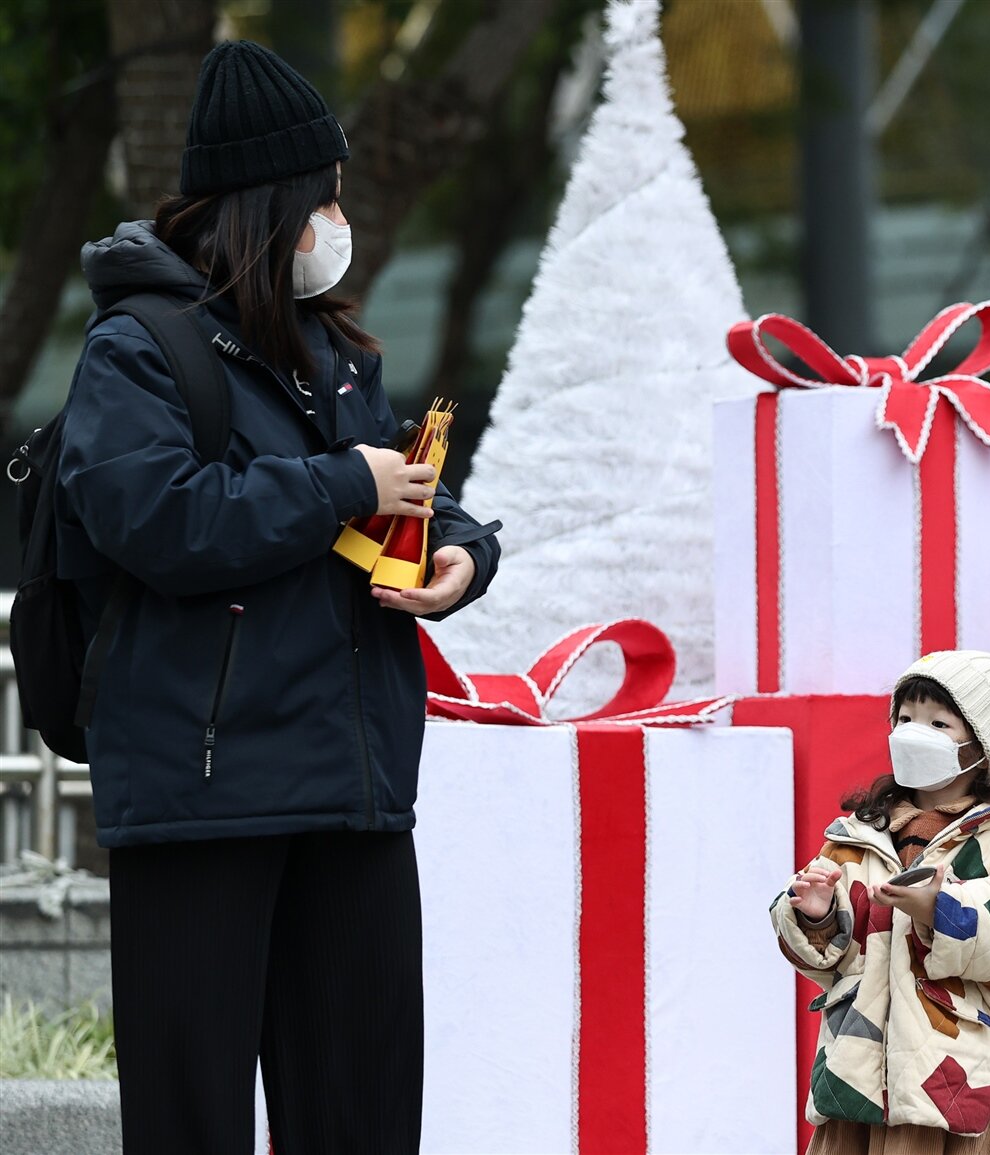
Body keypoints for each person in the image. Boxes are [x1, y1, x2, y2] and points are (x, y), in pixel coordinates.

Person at [54, 40, 501, 1154]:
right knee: (193, 1118)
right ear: (276, 204)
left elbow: (386, 497)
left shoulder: (334, 350)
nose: (336, 221)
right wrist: (344, 480)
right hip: (202, 794)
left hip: (349, 790)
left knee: (362, 1112)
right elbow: (160, 521)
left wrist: (461, 552)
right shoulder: (136, 350)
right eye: (326, 197)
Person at [774, 651, 990, 1155]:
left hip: (954, 1086)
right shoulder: (858, 834)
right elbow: (826, 958)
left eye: (938, 722)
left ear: (980, 743)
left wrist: (940, 909)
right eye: (905, 718)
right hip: (856, 1082)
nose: (914, 732)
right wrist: (816, 913)